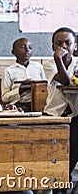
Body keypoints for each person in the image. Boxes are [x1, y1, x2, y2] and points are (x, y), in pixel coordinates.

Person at [42, 27, 78, 178]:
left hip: (74, 116)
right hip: (53, 115)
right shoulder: (49, 64)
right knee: (53, 153)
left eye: (68, 43)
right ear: (53, 47)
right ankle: (55, 179)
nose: (63, 47)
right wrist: (58, 59)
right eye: (59, 43)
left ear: (75, 46)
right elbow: (65, 81)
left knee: (72, 151)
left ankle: (65, 178)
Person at [1, 38, 46, 112]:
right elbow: (4, 98)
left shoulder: (38, 67)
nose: (27, 50)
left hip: (39, 104)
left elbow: (45, 88)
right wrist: (20, 90)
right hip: (19, 105)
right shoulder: (9, 71)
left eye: (30, 47)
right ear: (13, 52)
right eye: (22, 47)